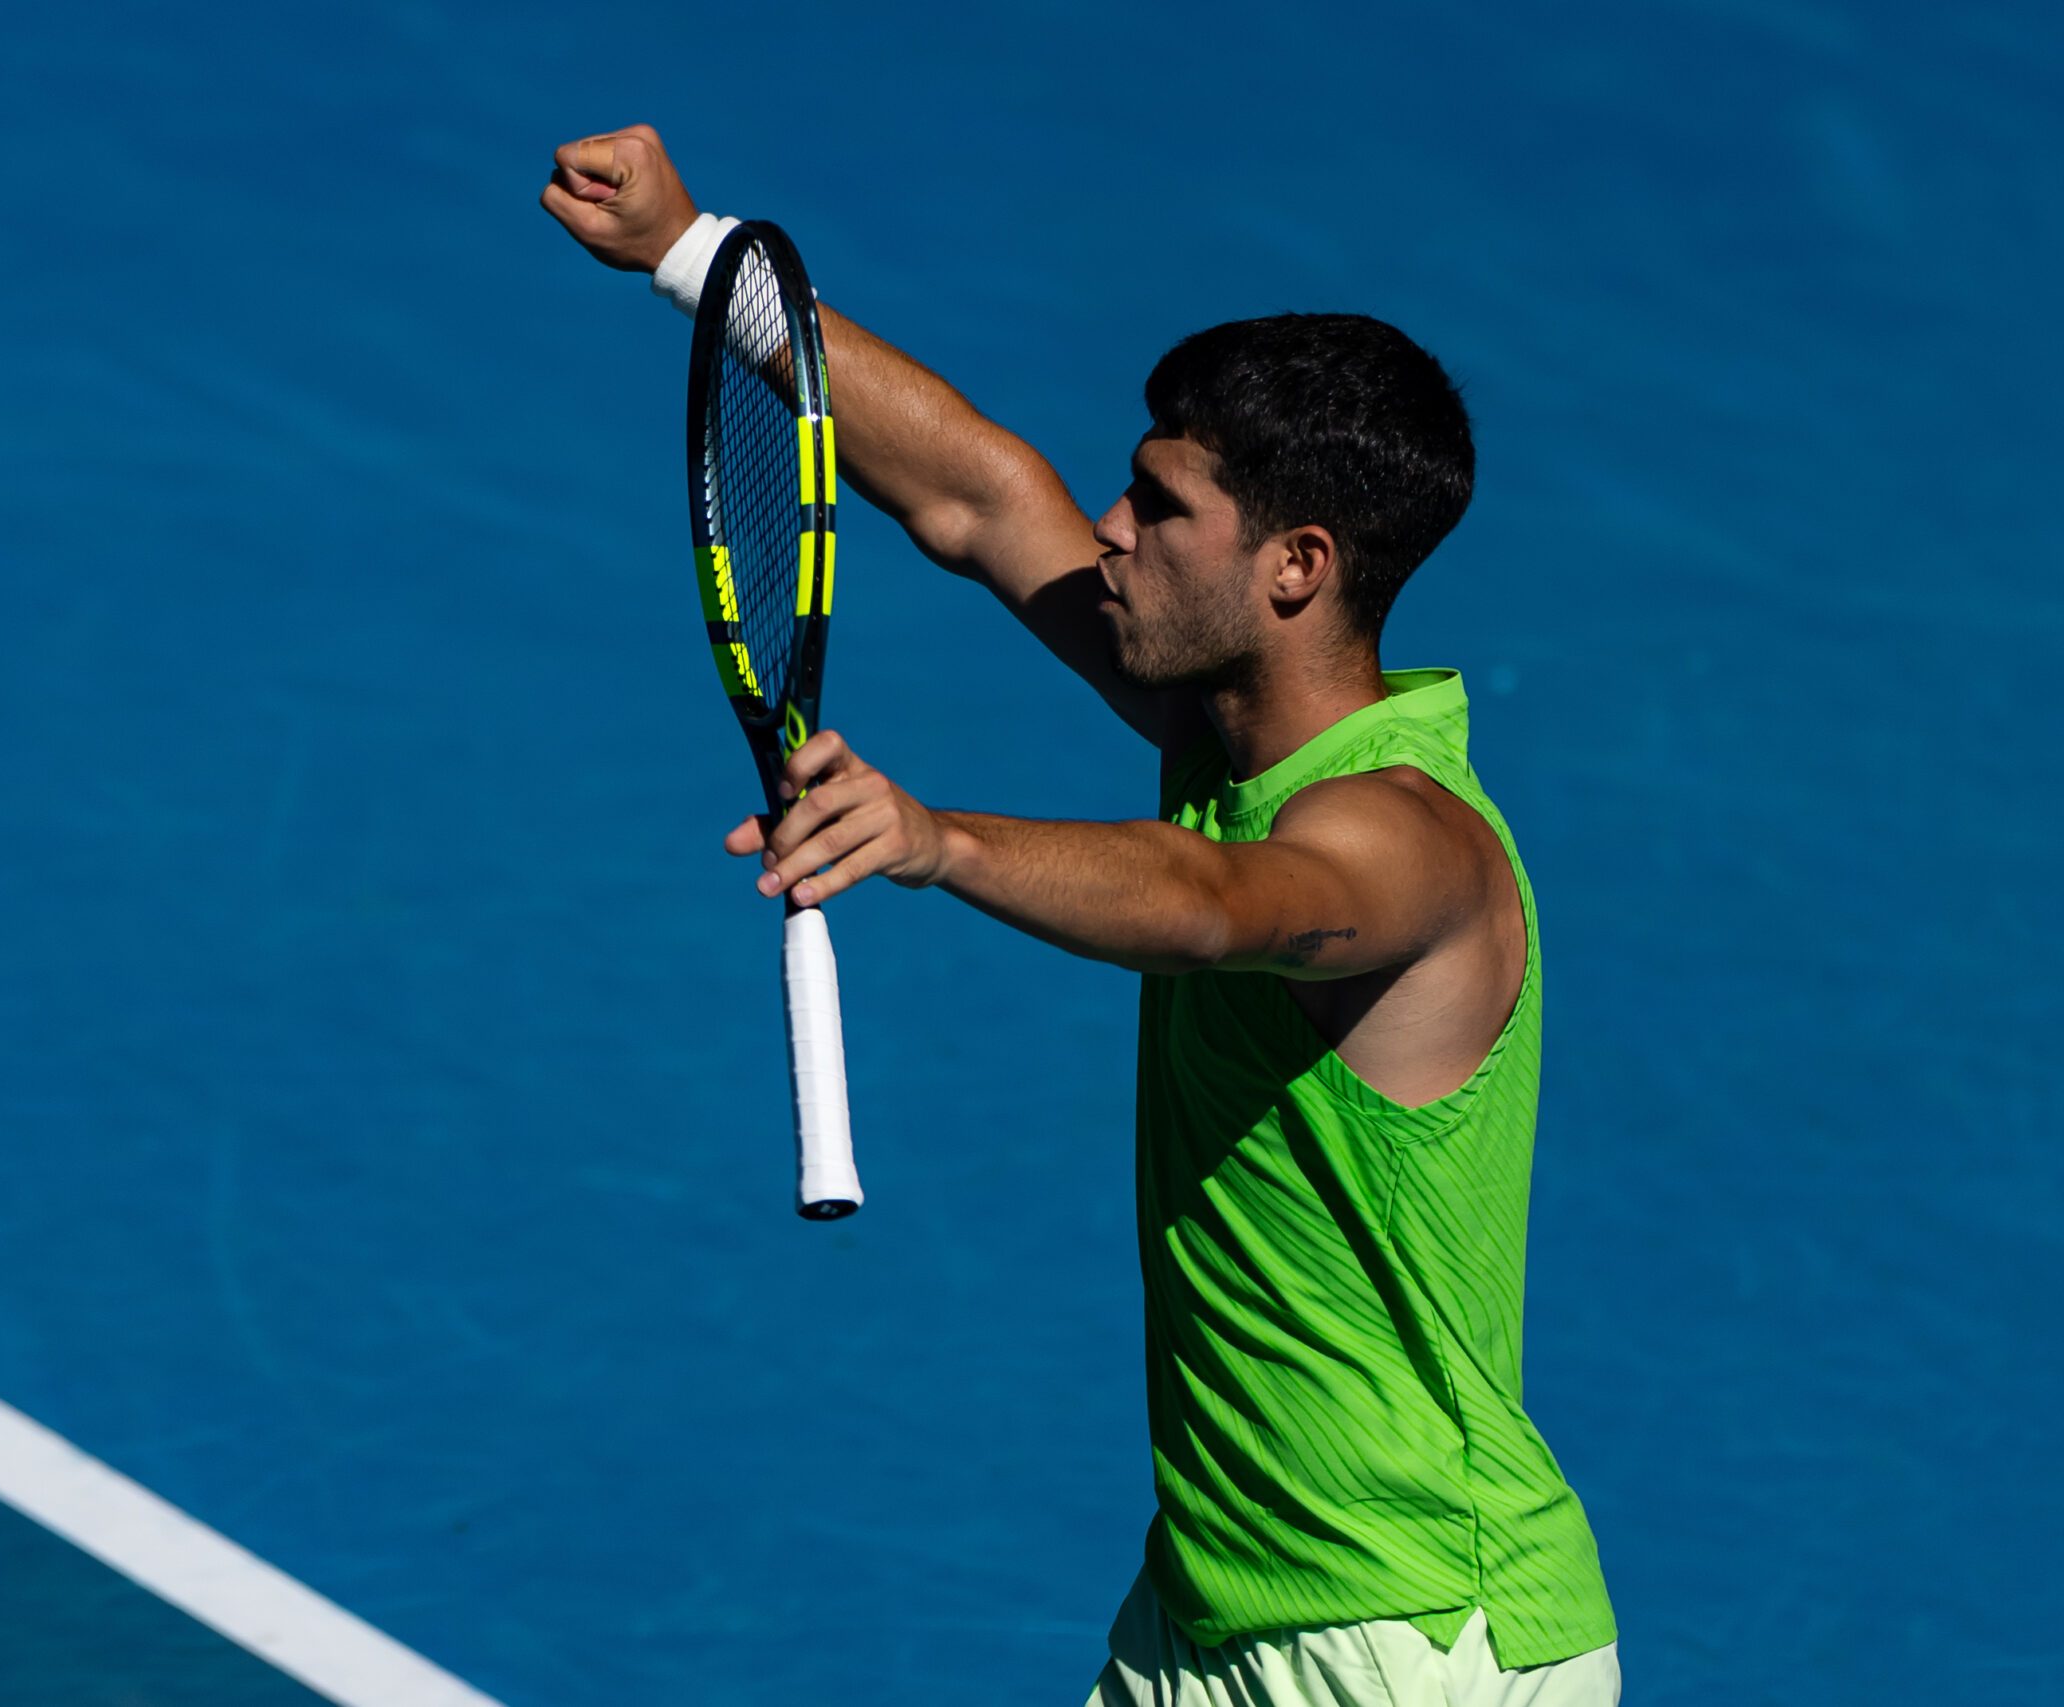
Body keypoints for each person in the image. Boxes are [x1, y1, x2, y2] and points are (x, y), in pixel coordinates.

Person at [541, 125, 1619, 1707]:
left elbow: (1219, 902)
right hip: (1216, 1600)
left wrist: (934, 839)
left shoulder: (1406, 843)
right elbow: (980, 493)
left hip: (1404, 1642)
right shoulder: (1226, 734)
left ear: (1295, 568)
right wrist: (689, 252)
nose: (1110, 526)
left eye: (1161, 507)